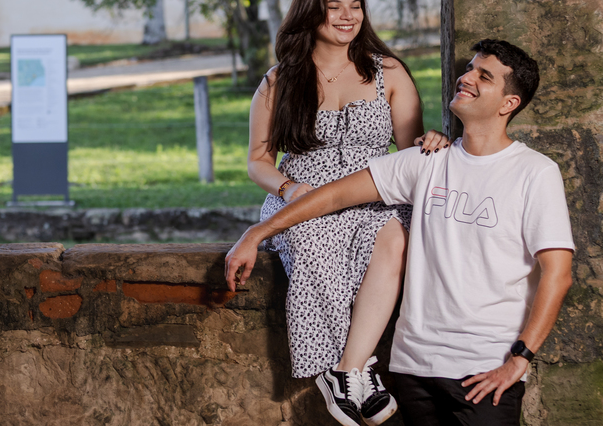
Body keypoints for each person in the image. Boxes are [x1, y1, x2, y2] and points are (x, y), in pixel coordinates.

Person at [227, 39, 575, 426]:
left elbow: (558, 275)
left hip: (484, 372)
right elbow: (331, 197)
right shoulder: (425, 162)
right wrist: (256, 234)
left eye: (484, 75)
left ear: (509, 103)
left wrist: (519, 360)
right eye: (470, 68)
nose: (467, 77)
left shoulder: (534, 172)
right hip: (414, 368)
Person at [247, 0, 448, 426]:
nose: (347, 16)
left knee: (395, 237)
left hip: (372, 193)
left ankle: (347, 369)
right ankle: (358, 376)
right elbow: (258, 160)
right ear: (311, 12)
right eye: (333, 6)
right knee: (312, 240)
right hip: (304, 196)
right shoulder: (278, 81)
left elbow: (409, 148)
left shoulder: (389, 73)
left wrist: (431, 140)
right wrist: (288, 186)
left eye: (355, 5)